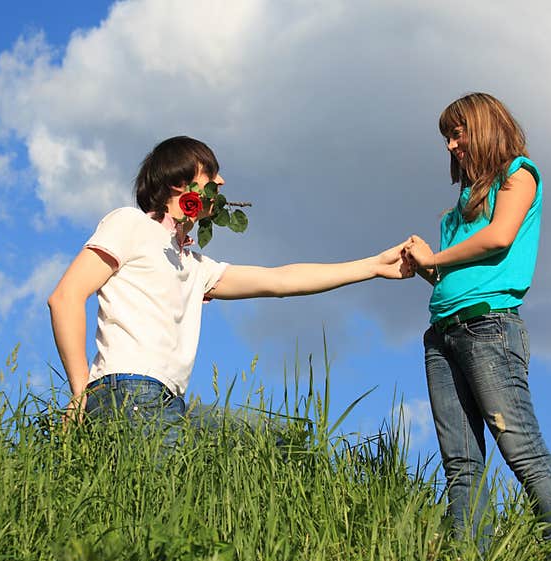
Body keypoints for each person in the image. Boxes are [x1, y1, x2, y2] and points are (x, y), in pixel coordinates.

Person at [48, 135, 416, 446]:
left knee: (279, 438)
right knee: (165, 506)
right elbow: (65, 297)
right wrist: (80, 395)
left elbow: (280, 281)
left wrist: (372, 266)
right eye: (210, 173)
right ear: (179, 183)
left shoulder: (194, 265)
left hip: (169, 400)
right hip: (127, 389)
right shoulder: (128, 224)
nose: (221, 182)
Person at [403, 92, 551, 551]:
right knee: (460, 462)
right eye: (446, 137)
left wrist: (436, 258)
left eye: (456, 134)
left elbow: (499, 239)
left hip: (489, 328)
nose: (450, 145)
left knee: (520, 447)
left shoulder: (518, 175)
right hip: (443, 333)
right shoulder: (458, 209)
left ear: (481, 127)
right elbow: (448, 279)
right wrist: (425, 266)